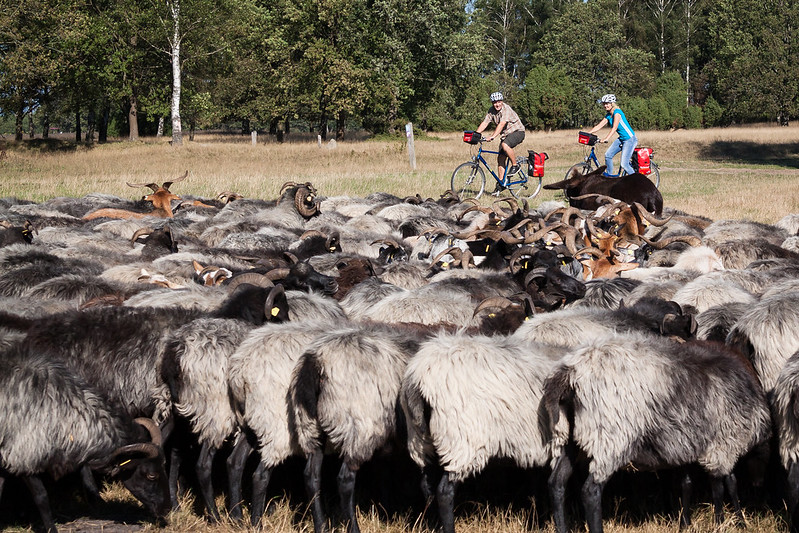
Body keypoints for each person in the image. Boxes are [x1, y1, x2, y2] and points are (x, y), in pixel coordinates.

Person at [475, 92, 525, 193]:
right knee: (501, 159)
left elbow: (502, 124)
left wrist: (493, 136)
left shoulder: (506, 109)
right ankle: (501, 184)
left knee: (505, 145)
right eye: (494, 102)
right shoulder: (491, 111)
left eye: (499, 102)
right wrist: (475, 134)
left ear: (502, 101)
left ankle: (515, 165)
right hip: (505, 135)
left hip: (518, 132)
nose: (497, 104)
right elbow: (485, 122)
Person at [587, 93, 638, 176]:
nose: (605, 106)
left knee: (624, 164)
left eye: (607, 103)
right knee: (608, 155)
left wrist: (606, 138)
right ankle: (610, 177)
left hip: (630, 139)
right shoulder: (608, 115)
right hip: (622, 139)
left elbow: (614, 128)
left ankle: (637, 182)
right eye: (604, 104)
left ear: (612, 104)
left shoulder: (617, 113)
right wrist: (588, 133)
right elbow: (599, 126)